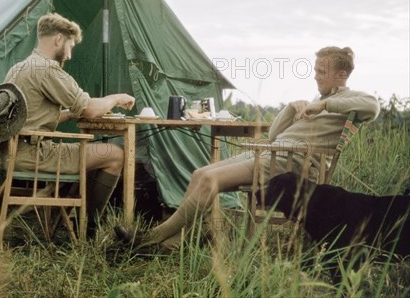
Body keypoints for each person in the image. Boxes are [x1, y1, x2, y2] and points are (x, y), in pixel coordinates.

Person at [115, 46, 380, 251]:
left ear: (341, 75)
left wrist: (324, 106)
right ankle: (171, 245)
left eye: (322, 71)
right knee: (200, 173)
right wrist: (290, 109)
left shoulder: (349, 100)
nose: (315, 75)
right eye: (316, 69)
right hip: (274, 152)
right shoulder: (316, 99)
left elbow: (373, 107)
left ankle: (149, 239)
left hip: (290, 163)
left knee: (209, 179)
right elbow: (275, 134)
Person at [4, 12, 135, 235]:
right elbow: (91, 109)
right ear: (58, 39)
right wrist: (116, 98)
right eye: (70, 46)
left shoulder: (19, 68)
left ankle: (72, 217)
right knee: (114, 154)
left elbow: (32, 117)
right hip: (36, 155)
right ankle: (89, 226)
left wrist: (71, 114)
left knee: (94, 154)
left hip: (12, 152)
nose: (70, 55)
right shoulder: (47, 69)